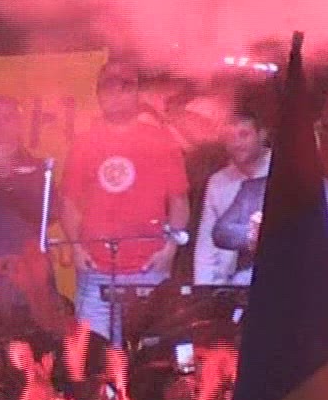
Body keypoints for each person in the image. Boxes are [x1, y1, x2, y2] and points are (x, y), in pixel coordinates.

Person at [61, 62, 189, 344]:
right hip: (96, 270)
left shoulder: (160, 141)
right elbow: (69, 202)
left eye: (125, 87)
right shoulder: (84, 143)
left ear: (137, 93)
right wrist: (77, 248)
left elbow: (179, 201)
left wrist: (170, 248)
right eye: (108, 87)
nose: (116, 94)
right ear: (98, 93)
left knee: (148, 356)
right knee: (94, 354)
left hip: (148, 268)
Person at [0, 95, 57, 332]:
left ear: (19, 125)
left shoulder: (38, 168)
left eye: (8, 118)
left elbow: (50, 214)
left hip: (29, 276)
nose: (1, 124)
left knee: (35, 345)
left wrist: (9, 183)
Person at [194, 103, 271, 287]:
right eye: (230, 137)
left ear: (262, 135)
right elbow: (207, 244)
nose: (236, 143)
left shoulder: (288, 172)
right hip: (230, 285)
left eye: (244, 135)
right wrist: (204, 290)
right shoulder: (218, 182)